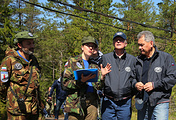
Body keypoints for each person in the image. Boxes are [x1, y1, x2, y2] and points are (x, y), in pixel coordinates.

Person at [62, 36, 111, 120]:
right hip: (76, 102)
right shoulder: (73, 61)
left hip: (91, 102)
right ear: (82, 47)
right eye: (88, 45)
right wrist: (80, 81)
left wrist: (102, 76)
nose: (91, 48)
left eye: (93, 46)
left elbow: (98, 86)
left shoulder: (94, 65)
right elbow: (65, 84)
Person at [0, 31, 44, 119]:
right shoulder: (9, 60)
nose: (32, 46)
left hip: (34, 109)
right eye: (28, 44)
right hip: (17, 110)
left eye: (32, 43)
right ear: (19, 45)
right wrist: (11, 100)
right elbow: (2, 85)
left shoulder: (33, 60)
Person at [134, 31, 176, 120]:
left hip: (160, 102)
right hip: (142, 103)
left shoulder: (166, 58)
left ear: (151, 43)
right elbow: (132, 78)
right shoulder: (137, 60)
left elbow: (172, 78)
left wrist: (154, 85)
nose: (139, 47)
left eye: (142, 45)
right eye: (139, 45)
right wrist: (135, 84)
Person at [101, 32, 136, 120]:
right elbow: (98, 77)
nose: (118, 41)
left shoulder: (132, 60)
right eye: (116, 40)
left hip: (125, 102)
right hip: (108, 101)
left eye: (121, 40)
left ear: (126, 44)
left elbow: (135, 78)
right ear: (113, 43)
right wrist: (101, 76)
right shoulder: (105, 58)